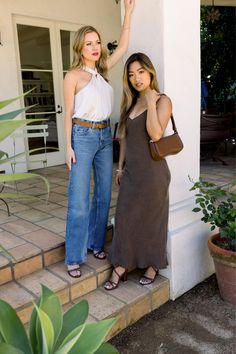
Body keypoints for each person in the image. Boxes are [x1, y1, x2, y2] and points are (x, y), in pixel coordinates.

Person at [64, 0, 135, 278]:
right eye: (89, 43)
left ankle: (95, 244)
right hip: (81, 136)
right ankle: (74, 255)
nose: (95, 47)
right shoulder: (73, 76)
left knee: (104, 195)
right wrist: (67, 146)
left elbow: (125, 46)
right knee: (80, 199)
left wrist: (128, 13)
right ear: (80, 47)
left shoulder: (102, 71)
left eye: (98, 42)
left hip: (106, 136)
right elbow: (68, 112)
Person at [104, 52, 172, 290]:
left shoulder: (163, 100)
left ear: (150, 72)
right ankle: (121, 265)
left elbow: (155, 134)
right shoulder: (131, 103)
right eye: (132, 74)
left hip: (154, 174)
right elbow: (124, 138)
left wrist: (152, 103)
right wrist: (120, 168)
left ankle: (153, 265)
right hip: (132, 172)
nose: (136, 78)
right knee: (124, 218)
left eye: (141, 72)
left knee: (153, 221)